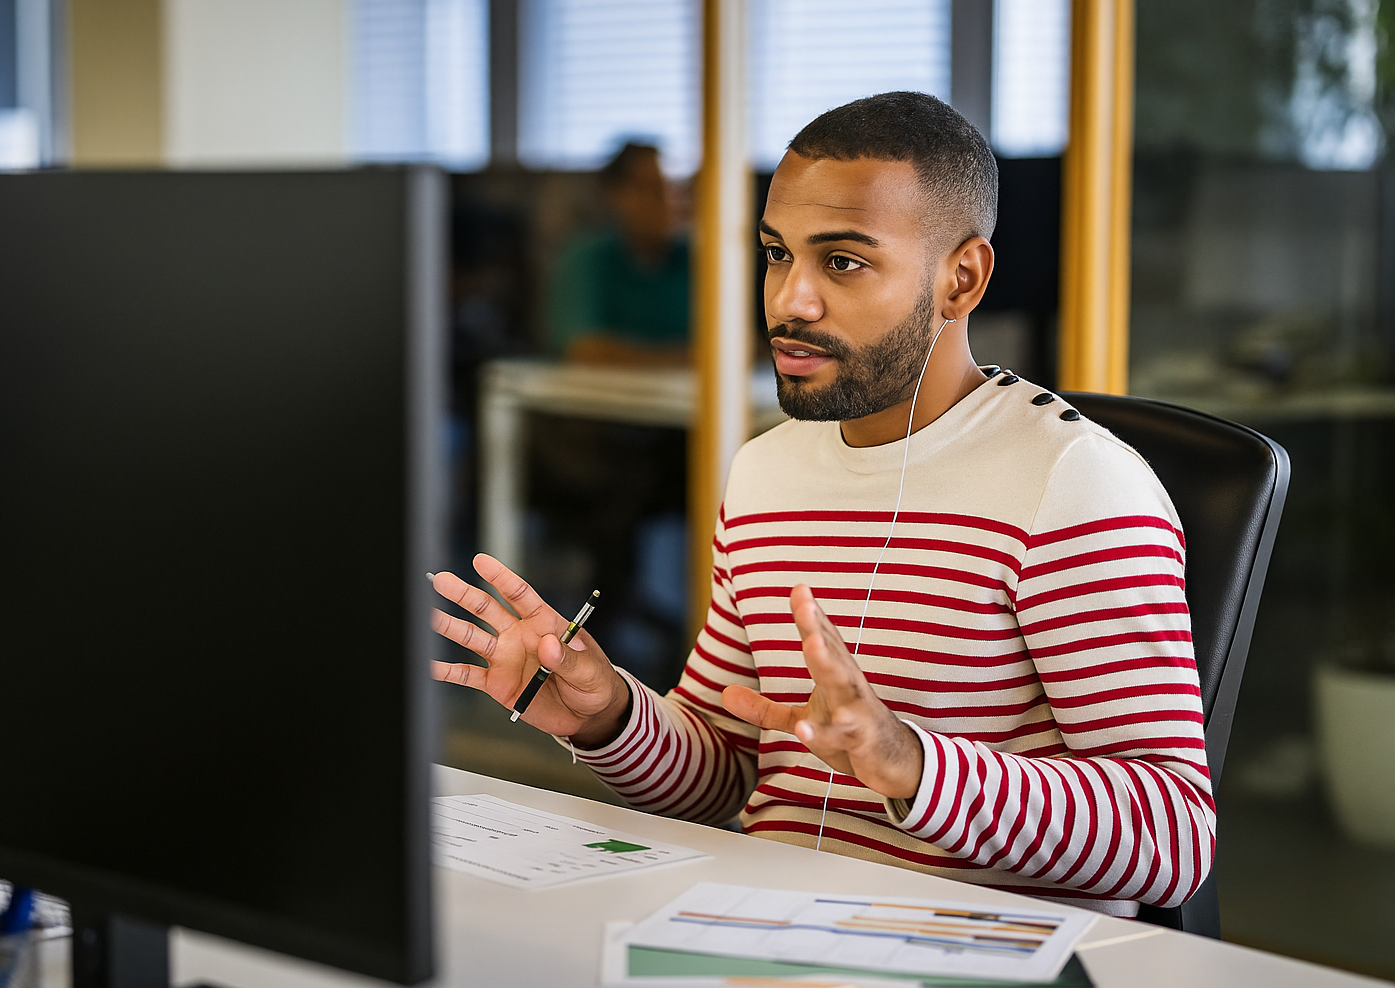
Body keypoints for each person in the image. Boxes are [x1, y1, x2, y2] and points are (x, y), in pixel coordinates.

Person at [432, 92, 1213, 917]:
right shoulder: (766, 471)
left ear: (963, 277)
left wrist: (910, 764)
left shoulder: (1074, 482)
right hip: (771, 942)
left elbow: (1173, 839)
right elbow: (723, 772)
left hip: (976, 966)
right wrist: (607, 715)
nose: (789, 301)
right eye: (776, 254)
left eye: (842, 261)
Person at [546, 141, 691, 366]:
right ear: (616, 195)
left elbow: (743, 345)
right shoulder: (587, 260)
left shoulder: (697, 261)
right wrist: (691, 357)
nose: (669, 201)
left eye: (676, 189)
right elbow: (585, 349)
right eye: (653, 189)